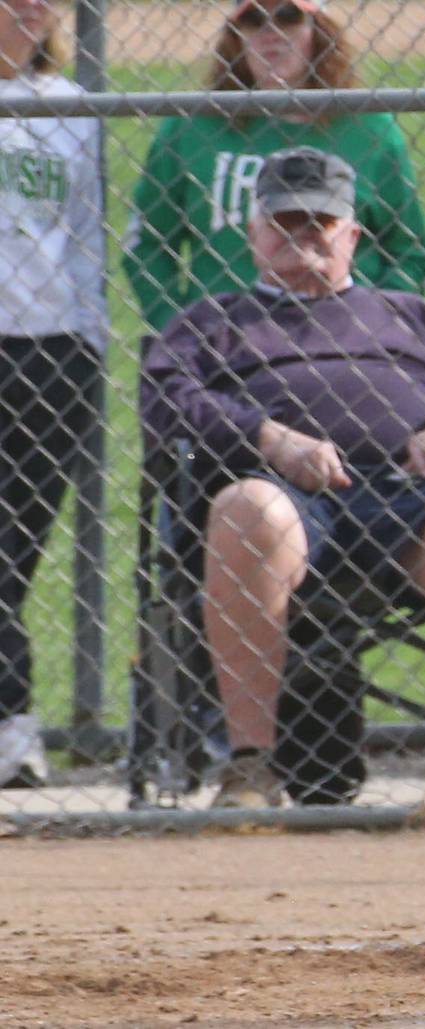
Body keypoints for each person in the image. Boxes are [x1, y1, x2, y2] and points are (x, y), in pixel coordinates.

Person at [141, 148, 425, 807]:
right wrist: (267, 437)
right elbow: (165, 400)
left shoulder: (416, 316)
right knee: (248, 506)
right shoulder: (213, 322)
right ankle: (250, 765)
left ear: (352, 235)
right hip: (285, 508)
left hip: (413, 505)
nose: (303, 236)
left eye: (320, 223)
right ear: (254, 234)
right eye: (285, 222)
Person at [122, 0, 425, 335]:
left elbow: (411, 252)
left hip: (342, 341)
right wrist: (183, 331)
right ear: (236, 35)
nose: (270, 34)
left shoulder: (368, 127)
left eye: (288, 17)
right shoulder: (194, 127)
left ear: (319, 29)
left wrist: (371, 326)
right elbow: (147, 244)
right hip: (226, 342)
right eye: (255, 20)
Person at [0, 0, 106, 789]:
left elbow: (85, 233)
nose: (30, 8)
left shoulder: (69, 109)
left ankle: (12, 729)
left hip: (47, 353)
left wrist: (89, 342)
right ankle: (15, 725)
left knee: (14, 551)